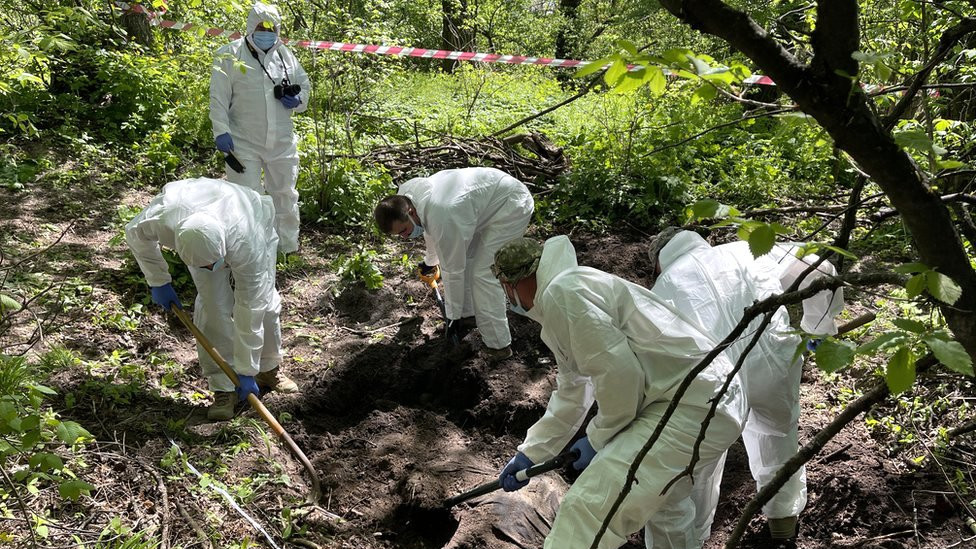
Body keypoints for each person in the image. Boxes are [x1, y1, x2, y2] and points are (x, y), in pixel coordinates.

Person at [491, 236, 749, 549]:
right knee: (665, 507)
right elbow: (573, 390)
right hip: (703, 396)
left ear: (513, 283)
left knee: (588, 510)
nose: (507, 298)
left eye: (505, 288)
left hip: (689, 404)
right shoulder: (564, 295)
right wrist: (531, 452)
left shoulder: (564, 293)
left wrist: (599, 438)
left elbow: (620, 376)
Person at [648, 229, 845, 542]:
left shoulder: (662, 287)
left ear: (659, 262)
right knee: (777, 439)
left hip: (712, 381)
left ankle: (695, 540)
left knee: (698, 463)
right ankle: (783, 532)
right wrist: (817, 330)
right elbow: (820, 268)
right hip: (773, 359)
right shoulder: (743, 250)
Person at [125, 177, 298, 421]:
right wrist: (158, 280)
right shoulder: (163, 219)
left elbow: (251, 305)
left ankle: (267, 368)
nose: (208, 268)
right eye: (201, 265)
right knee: (213, 306)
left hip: (250, 221)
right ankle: (223, 385)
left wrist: (247, 369)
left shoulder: (247, 241)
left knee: (265, 304)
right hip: (201, 234)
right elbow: (135, 235)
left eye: (211, 264)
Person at [374, 167, 534, 362]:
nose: (405, 237)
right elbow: (431, 230)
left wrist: (452, 316)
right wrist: (430, 262)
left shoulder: (442, 214)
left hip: (511, 205)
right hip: (480, 207)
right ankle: (469, 316)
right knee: (467, 259)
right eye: (399, 235)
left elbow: (452, 270)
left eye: (404, 231)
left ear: (410, 212)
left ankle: (498, 346)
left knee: (483, 273)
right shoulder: (407, 199)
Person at [209, 1, 310, 254]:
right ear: (250, 26)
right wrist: (220, 130)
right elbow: (218, 97)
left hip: (282, 142)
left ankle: (286, 248)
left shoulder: (285, 56)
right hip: (242, 141)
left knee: (285, 195)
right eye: (261, 26)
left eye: (272, 28)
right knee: (246, 199)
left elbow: (304, 86)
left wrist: (298, 101)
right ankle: (251, 251)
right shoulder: (229, 54)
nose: (267, 32)